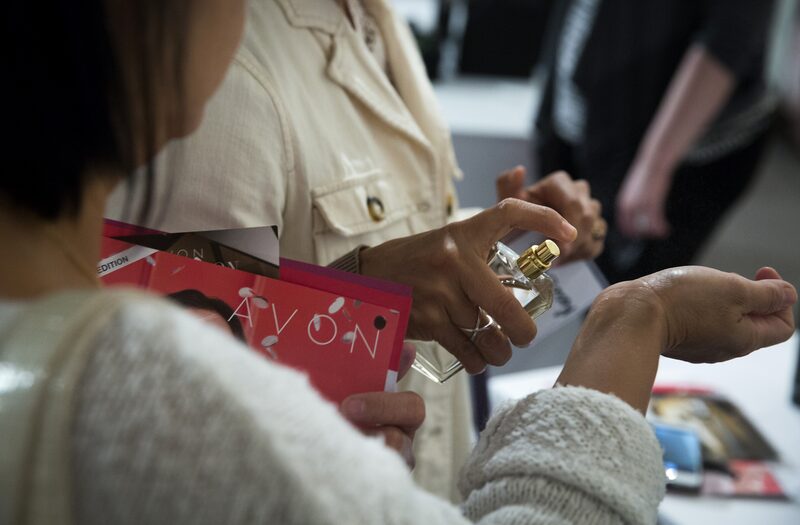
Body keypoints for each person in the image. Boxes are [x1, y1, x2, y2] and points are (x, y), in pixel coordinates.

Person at [2, 1, 797, 524]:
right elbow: (216, 372)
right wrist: (637, 317)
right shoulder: (234, 100)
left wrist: (475, 246)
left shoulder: (371, 19)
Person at [107, 0, 606, 501]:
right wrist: (357, 291)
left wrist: (500, 243)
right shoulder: (225, 76)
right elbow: (179, 401)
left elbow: (397, 227)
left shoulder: (378, 22)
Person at [535, 0, 777, 283]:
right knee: (565, 288)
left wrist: (654, 165)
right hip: (582, 121)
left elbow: (733, 32)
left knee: (620, 304)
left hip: (671, 152)